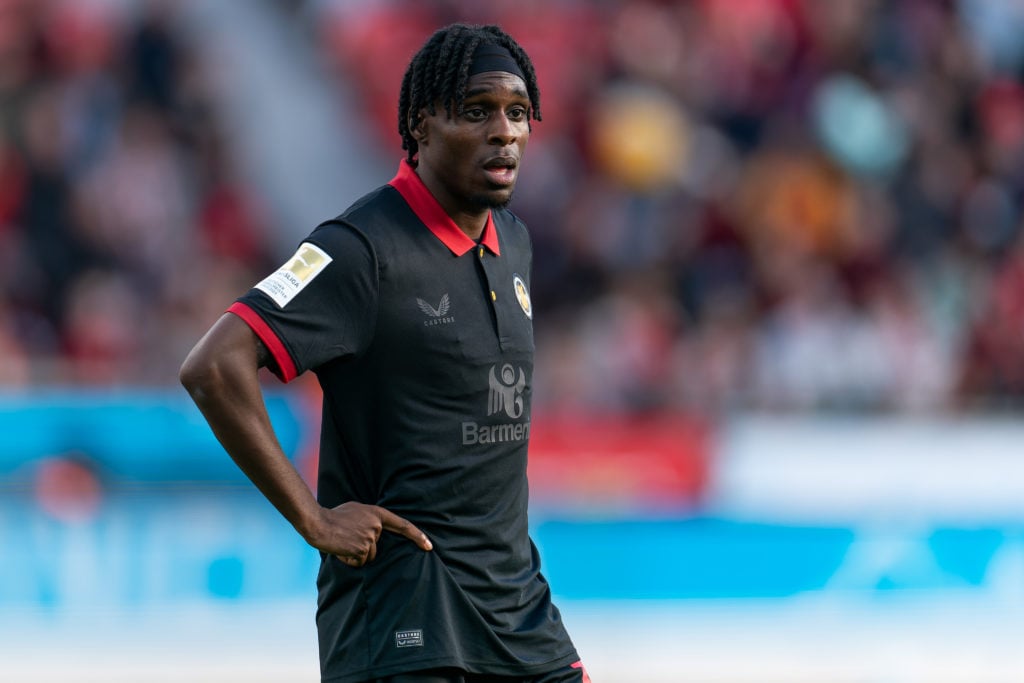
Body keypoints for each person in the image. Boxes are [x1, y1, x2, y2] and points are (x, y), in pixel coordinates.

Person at [179, 23, 588, 683]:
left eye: (517, 112)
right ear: (423, 126)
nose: (505, 131)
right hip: (404, 622)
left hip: (517, 613)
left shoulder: (514, 241)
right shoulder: (359, 248)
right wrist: (312, 517)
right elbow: (213, 365)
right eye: (478, 112)